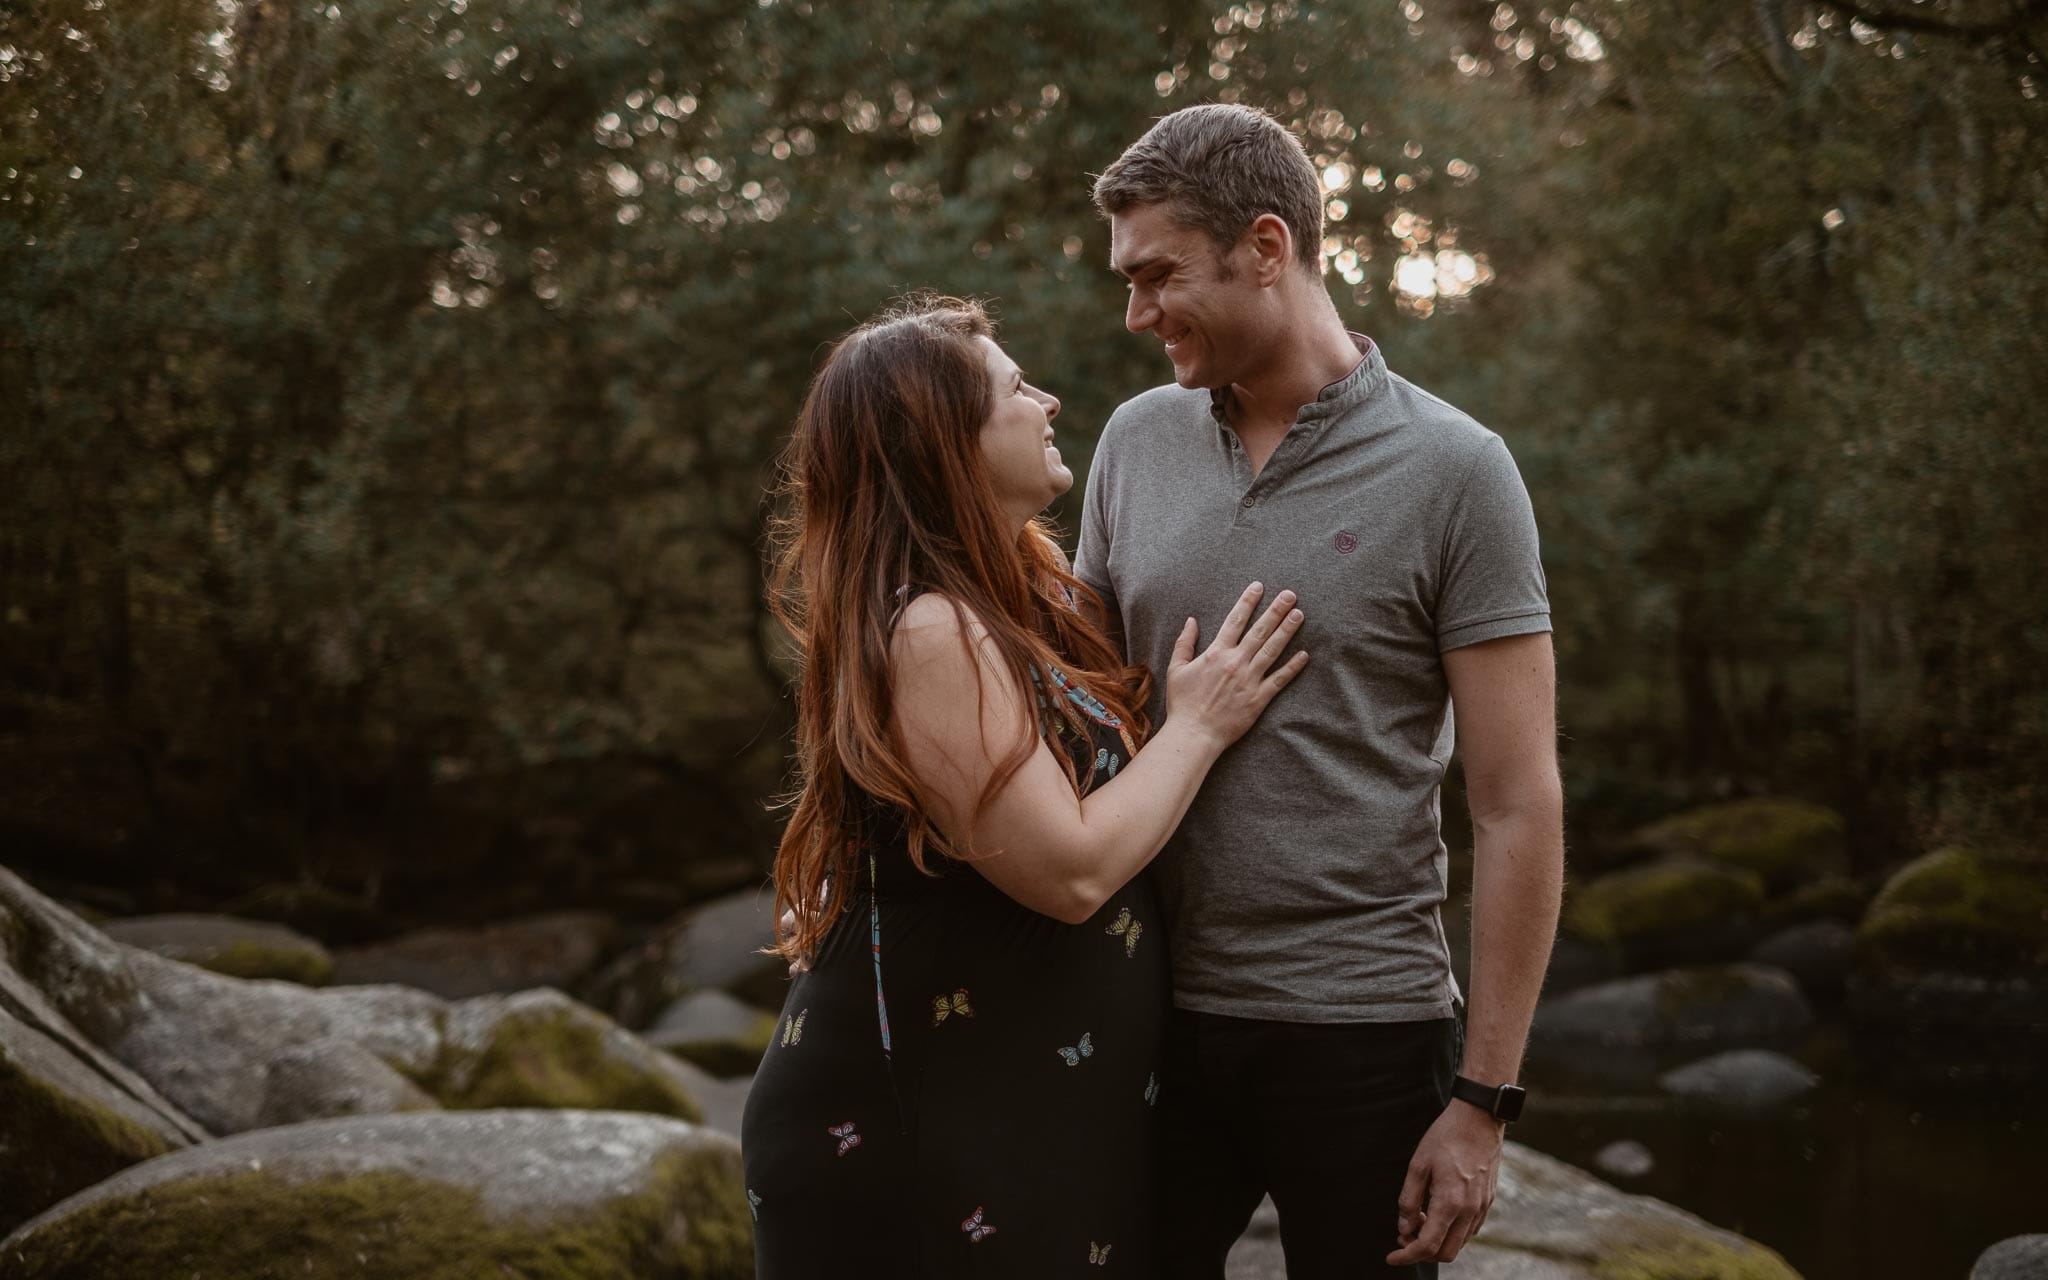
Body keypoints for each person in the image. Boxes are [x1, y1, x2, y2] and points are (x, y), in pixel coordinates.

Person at [1076, 104, 1565, 1277]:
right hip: (1147, 1009)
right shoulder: (1131, 442)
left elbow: (1515, 802)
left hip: (1364, 1028)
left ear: (1263, 245)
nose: (1134, 314)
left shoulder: (1457, 471)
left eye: (1156, 276)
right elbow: (1075, 722)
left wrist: (1482, 1099)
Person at [739, 295, 1310, 1276]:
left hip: (1013, 1105)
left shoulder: (1016, 605)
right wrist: (1201, 724)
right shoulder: (929, 629)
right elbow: (1070, 870)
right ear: (942, 439)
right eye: (1013, 386)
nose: (1044, 400)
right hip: (918, 1123)